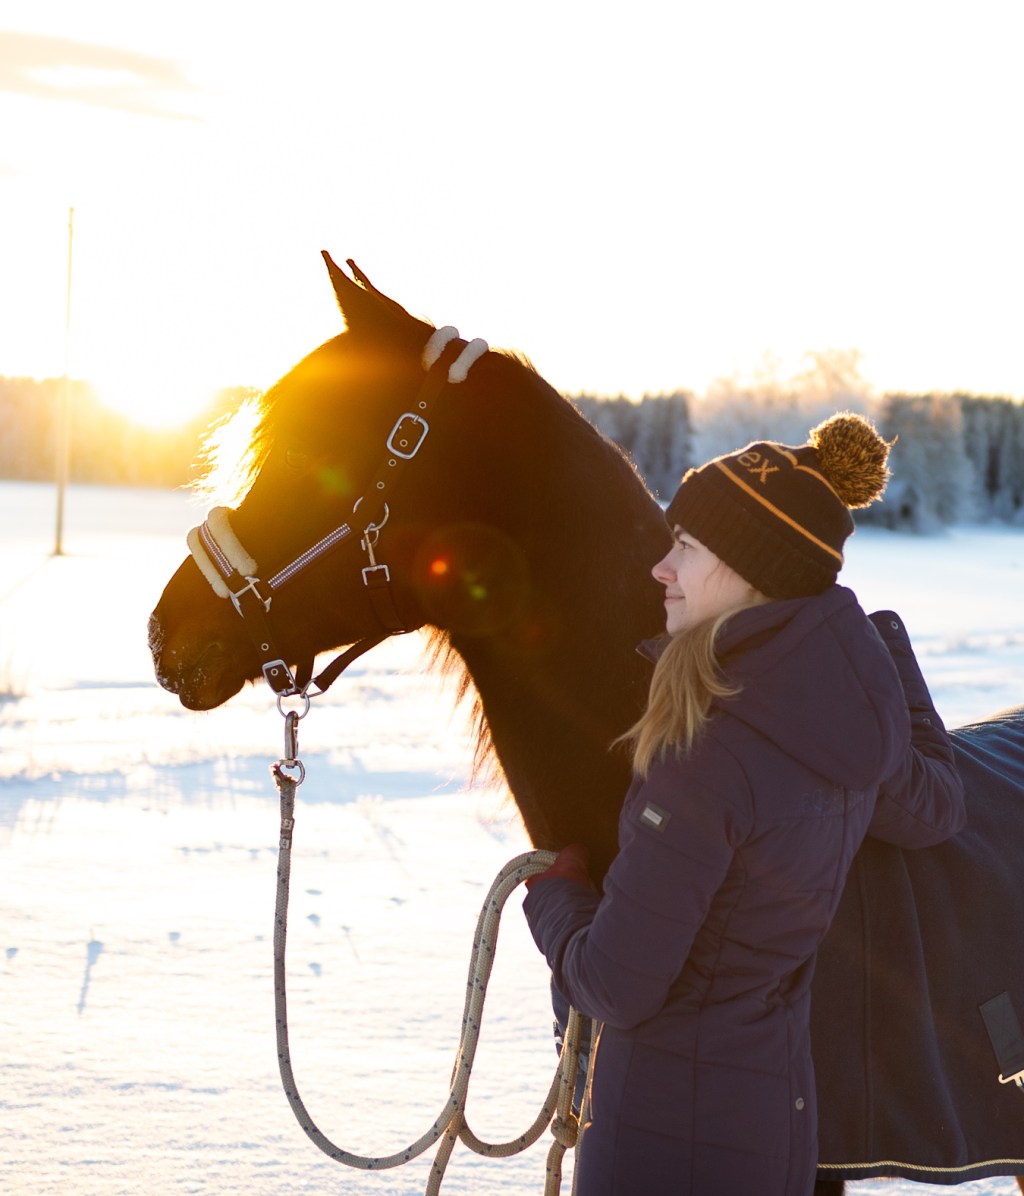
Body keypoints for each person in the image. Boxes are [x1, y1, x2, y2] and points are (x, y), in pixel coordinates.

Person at [522, 412, 966, 1196]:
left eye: (687, 547)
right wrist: (882, 653)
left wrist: (555, 898)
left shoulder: (707, 754)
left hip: (664, 1140)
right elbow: (936, 808)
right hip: (773, 1125)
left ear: (752, 570)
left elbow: (617, 983)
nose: (661, 568)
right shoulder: (841, 724)